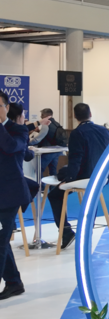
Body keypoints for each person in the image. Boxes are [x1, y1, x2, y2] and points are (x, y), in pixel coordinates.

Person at [47, 103, 109, 250]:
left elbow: (76, 159)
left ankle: (66, 231)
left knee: (54, 195)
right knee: (92, 196)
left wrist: (68, 180)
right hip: (103, 176)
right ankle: (87, 232)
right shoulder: (104, 130)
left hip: (85, 176)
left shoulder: (77, 133)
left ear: (75, 116)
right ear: (90, 114)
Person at [0, 92, 30, 301]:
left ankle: (13, 282)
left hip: (9, 194)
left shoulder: (18, 130)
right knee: (1, 240)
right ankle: (13, 282)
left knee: (1, 241)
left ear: (7, 107)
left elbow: (11, 147)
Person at [28, 108, 61, 178]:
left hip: (48, 151)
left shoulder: (46, 124)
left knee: (39, 170)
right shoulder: (57, 124)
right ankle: (54, 185)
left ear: (45, 115)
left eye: (42, 115)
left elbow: (38, 139)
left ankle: (41, 185)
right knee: (53, 172)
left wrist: (28, 143)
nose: (41, 117)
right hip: (57, 150)